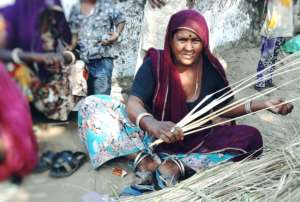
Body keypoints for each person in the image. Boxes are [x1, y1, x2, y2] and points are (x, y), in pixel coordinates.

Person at [78, 10, 293, 193]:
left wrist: (262, 104)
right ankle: (144, 160)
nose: (188, 47)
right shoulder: (156, 63)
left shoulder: (211, 68)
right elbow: (134, 102)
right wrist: (153, 124)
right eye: (182, 39)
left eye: (195, 40)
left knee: (251, 137)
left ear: (204, 42)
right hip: (148, 137)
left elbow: (223, 107)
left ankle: (177, 166)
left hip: (196, 141)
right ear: (170, 41)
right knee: (93, 105)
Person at [68, 0, 126, 95]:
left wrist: (116, 34)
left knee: (101, 98)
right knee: (84, 98)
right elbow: (74, 32)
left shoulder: (107, 4)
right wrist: (71, 47)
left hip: (103, 60)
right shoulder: (76, 8)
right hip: (83, 62)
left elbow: (121, 20)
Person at [255, 0, 294, 91]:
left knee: (273, 57)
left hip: (280, 31)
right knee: (266, 57)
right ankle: (259, 83)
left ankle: (268, 80)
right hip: (271, 31)